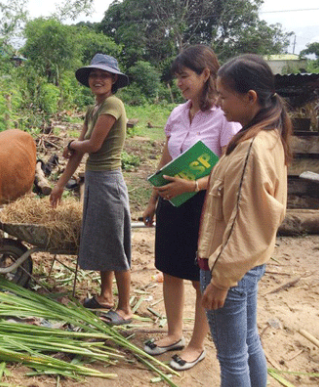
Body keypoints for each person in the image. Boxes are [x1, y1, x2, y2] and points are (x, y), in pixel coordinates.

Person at [141, 45, 241, 371]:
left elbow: (230, 169)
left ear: (205, 74)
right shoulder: (176, 113)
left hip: (203, 206)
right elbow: (167, 157)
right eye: (178, 78)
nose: (180, 83)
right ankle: (173, 333)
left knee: (199, 275)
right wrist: (154, 198)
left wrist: (194, 185)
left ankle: (197, 344)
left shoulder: (225, 117)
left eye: (185, 76)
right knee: (169, 268)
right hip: (172, 200)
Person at [199, 54, 291, 386]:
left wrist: (221, 281)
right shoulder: (266, 136)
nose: (219, 102)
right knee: (248, 342)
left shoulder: (253, 148)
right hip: (246, 265)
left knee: (232, 358)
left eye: (224, 95)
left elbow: (245, 223)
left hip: (230, 267)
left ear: (249, 97)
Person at [49, 53, 133, 325]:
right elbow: (78, 151)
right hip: (95, 180)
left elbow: (92, 146)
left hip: (109, 181)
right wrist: (60, 185)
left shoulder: (113, 104)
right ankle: (105, 296)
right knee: (102, 240)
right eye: (94, 75)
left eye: (104, 75)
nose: (98, 79)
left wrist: (73, 143)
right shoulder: (92, 109)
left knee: (116, 244)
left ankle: (125, 308)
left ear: (114, 80)